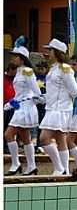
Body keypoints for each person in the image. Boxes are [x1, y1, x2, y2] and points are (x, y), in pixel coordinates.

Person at [38, 39, 77, 175]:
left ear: (56, 52)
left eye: (50, 50)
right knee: (61, 139)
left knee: (44, 138)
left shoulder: (65, 69)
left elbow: (75, 92)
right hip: (52, 108)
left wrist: (62, 100)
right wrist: (42, 98)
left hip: (60, 109)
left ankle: (59, 168)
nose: (47, 53)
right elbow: (53, 91)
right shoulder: (53, 68)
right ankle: (65, 170)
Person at [4, 39, 42, 176]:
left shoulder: (27, 72)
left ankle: (16, 164)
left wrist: (37, 99)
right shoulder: (19, 71)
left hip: (26, 107)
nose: (13, 58)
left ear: (21, 59)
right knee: (25, 137)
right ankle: (31, 166)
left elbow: (35, 91)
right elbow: (20, 93)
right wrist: (10, 103)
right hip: (20, 107)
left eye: (15, 56)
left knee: (8, 134)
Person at [4, 63, 17, 154]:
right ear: (11, 70)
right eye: (15, 71)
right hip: (4, 106)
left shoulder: (16, 79)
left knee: (10, 128)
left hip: (13, 106)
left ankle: (7, 146)